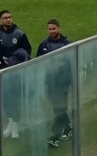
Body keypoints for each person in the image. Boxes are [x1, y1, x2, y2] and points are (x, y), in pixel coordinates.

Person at [0, 10, 32, 139]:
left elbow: (27, 51)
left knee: (15, 99)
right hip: (1, 72)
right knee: (5, 98)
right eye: (5, 18)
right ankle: (10, 123)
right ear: (0, 20)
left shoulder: (19, 34)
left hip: (16, 72)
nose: (8, 20)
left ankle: (16, 126)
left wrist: (17, 60)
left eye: (9, 17)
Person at [36, 19, 73, 147]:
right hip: (50, 83)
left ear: (59, 28)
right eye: (50, 29)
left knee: (59, 109)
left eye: (54, 29)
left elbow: (72, 65)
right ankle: (68, 129)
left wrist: (69, 82)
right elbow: (38, 62)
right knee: (57, 108)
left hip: (62, 84)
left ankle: (54, 137)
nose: (52, 31)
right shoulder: (44, 44)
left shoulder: (67, 45)